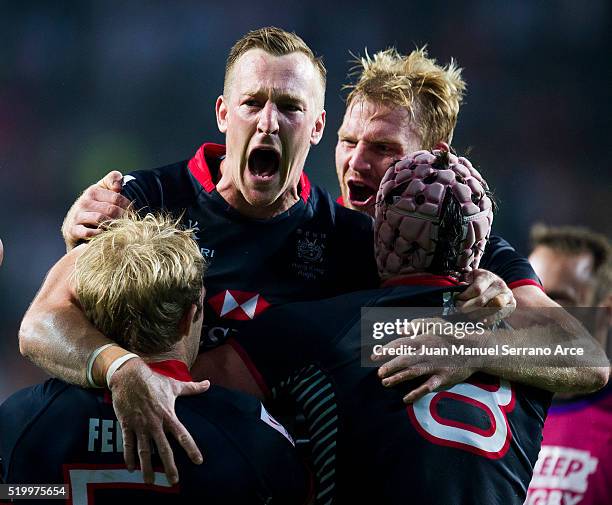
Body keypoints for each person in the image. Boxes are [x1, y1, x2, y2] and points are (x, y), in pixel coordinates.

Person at [18, 28, 605, 486]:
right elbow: (43, 322)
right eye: (253, 102)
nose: (357, 164)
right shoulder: (146, 201)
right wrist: (121, 367)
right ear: (224, 114)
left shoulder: (372, 241)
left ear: (313, 125)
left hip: (266, 478)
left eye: (291, 108)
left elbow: (584, 352)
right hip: (139, 454)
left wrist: (479, 330)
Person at [191, 149, 584, 504]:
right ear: (479, 250)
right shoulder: (529, 338)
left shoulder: (326, 327)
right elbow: (590, 357)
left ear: (379, 233)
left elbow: (192, 382)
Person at [0, 213, 311, 504]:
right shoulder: (253, 436)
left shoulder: (22, 421)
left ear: (90, 313)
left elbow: (22, 492)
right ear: (189, 316)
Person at [526, 224, 611, 505]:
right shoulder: (494, 409)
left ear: (605, 310)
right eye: (530, 296)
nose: (539, 314)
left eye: (559, 301)